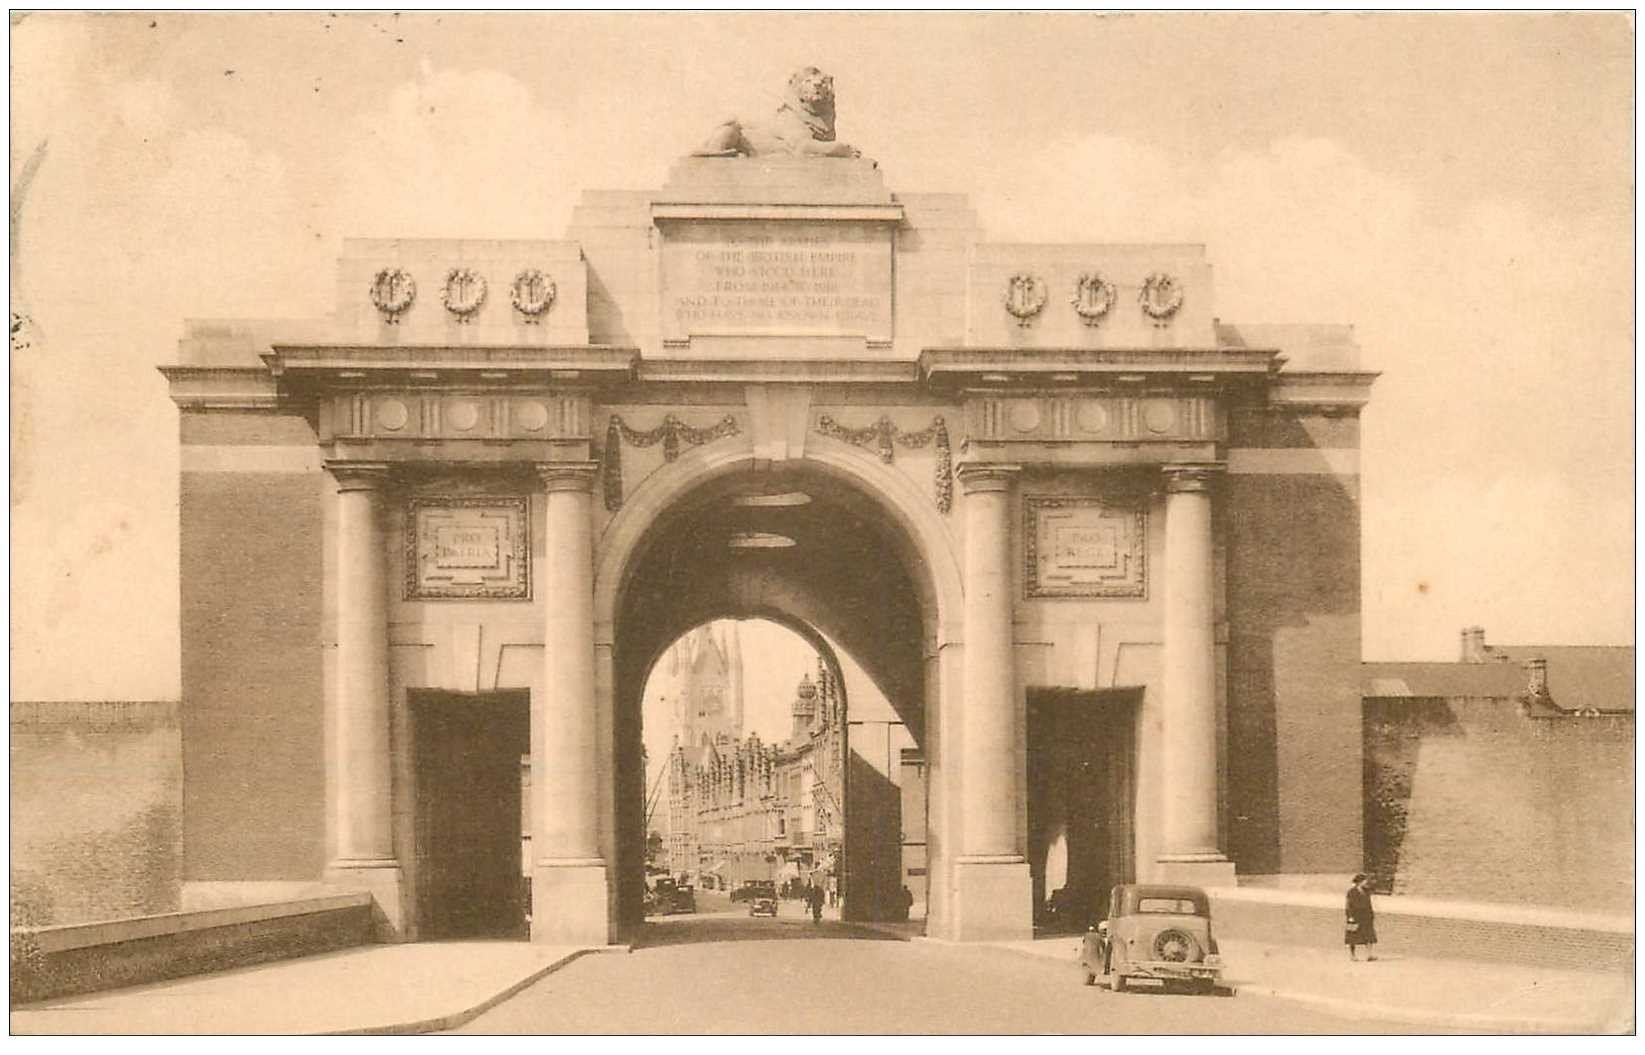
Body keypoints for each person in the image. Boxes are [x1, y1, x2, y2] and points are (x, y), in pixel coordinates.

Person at [1345, 873, 1378, 961]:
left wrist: (1371, 914)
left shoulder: (1366, 890)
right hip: (1355, 916)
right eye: (1364, 880)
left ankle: (1369, 954)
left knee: (1369, 935)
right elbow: (1349, 905)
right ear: (1359, 882)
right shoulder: (1351, 892)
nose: (1366, 882)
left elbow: (1369, 901)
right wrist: (1350, 916)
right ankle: (1352, 955)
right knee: (1352, 936)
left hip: (1366, 916)